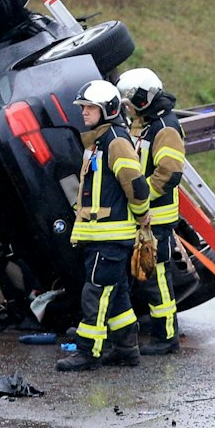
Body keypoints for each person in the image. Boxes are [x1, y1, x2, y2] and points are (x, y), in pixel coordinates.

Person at [59, 79, 150, 371]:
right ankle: (126, 349)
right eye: (83, 107)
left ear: (108, 110)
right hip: (99, 236)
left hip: (111, 237)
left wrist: (142, 216)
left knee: (95, 294)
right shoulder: (99, 141)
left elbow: (136, 186)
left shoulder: (116, 142)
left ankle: (89, 352)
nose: (84, 113)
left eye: (90, 108)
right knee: (118, 294)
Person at [117, 67, 185, 356]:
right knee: (143, 277)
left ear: (143, 99)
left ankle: (167, 337)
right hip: (140, 216)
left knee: (157, 280)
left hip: (155, 218)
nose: (126, 108)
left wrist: (142, 197)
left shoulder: (164, 128)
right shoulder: (143, 123)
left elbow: (169, 172)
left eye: (129, 102)